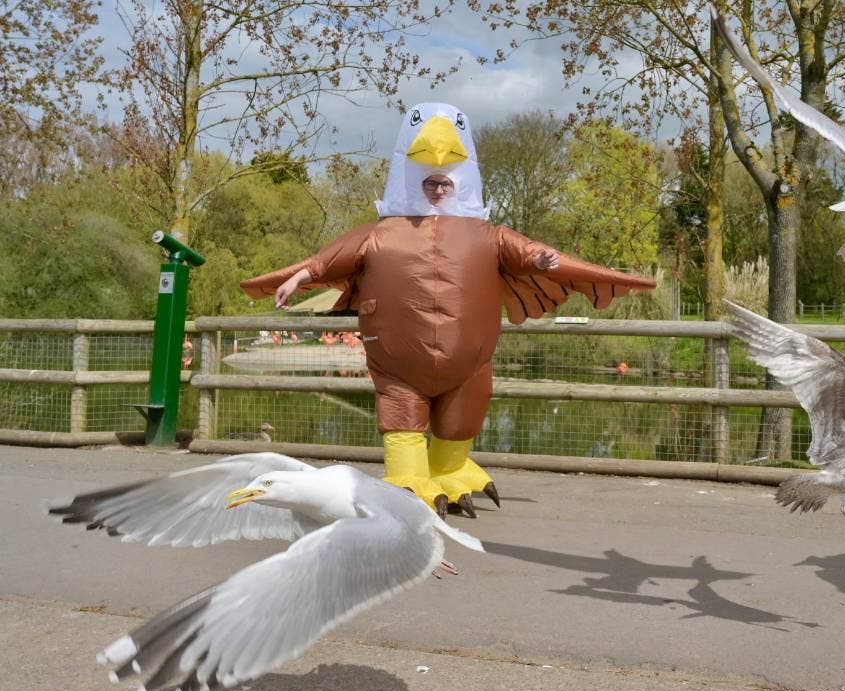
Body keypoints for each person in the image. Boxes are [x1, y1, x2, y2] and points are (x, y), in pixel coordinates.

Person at [242, 102, 655, 518]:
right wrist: (296, 279)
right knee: (401, 407)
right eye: (430, 183)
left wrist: (544, 261)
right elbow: (327, 260)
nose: (437, 189)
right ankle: (407, 476)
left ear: (460, 179)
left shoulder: (489, 236)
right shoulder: (379, 234)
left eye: (444, 183)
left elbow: (530, 253)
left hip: (470, 359)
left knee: (467, 406)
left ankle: (450, 469)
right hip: (397, 359)